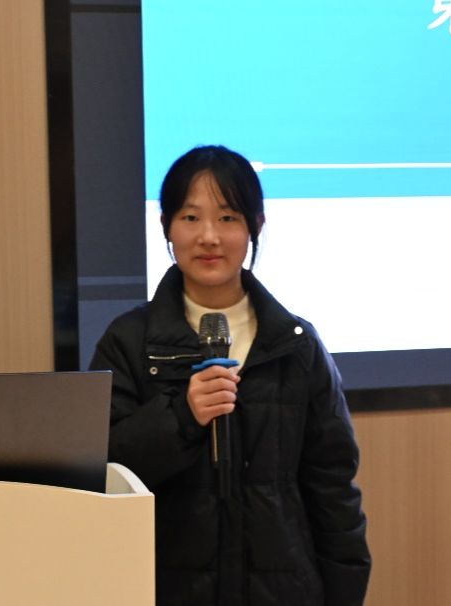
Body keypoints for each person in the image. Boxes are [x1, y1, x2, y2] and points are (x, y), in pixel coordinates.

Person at [89, 145, 371, 605]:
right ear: (166, 226)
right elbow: (102, 470)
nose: (209, 237)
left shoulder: (295, 344)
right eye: (190, 217)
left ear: (254, 226)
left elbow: (333, 486)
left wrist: (344, 592)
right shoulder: (128, 340)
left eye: (227, 218)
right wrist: (182, 417)